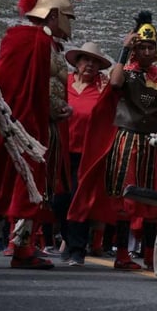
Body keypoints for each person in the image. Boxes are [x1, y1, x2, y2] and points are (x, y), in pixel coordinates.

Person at [0, 0, 85, 270]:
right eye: (66, 16)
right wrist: (39, 114)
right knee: (11, 184)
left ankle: (23, 247)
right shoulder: (24, 39)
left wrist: (59, 111)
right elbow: (12, 86)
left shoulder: (53, 47)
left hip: (46, 130)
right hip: (23, 129)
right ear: (52, 15)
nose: (69, 23)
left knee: (36, 192)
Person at [68, 11, 157, 271]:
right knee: (124, 198)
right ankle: (123, 255)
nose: (147, 51)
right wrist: (123, 50)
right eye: (142, 47)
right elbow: (114, 84)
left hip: (153, 145)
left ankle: (150, 255)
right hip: (126, 141)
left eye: (151, 47)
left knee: (151, 200)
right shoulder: (126, 72)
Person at [53, 42, 112, 266]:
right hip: (61, 150)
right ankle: (68, 239)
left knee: (80, 200)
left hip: (87, 154)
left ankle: (78, 249)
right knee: (60, 200)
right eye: (85, 60)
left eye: (95, 61)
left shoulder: (101, 89)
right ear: (76, 63)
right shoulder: (63, 82)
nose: (90, 64)